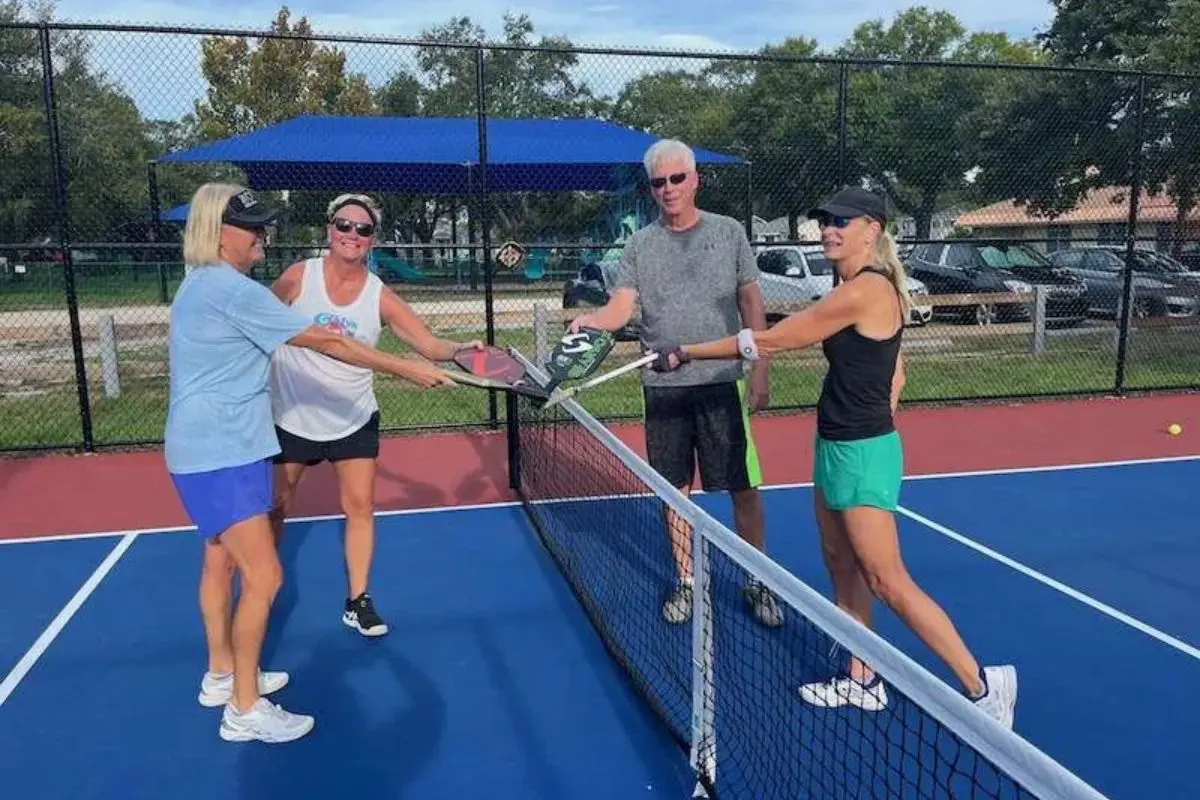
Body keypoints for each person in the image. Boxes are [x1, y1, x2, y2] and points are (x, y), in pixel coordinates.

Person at [647, 186, 1018, 729]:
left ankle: (983, 684)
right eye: (825, 221)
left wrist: (686, 352)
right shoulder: (852, 286)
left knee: (887, 578)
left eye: (842, 222)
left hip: (861, 453)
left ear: (872, 229)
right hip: (836, 444)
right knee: (840, 564)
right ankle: (861, 677)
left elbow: (774, 341)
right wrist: (871, 410)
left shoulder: (865, 289)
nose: (829, 230)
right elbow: (897, 370)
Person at [164, 183, 456, 744]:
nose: (261, 237)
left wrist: (450, 353)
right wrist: (408, 371)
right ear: (219, 233)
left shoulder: (202, 284)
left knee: (219, 558)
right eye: (252, 228)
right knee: (265, 573)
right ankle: (245, 709)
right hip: (221, 449)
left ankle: (224, 676)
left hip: (218, 445)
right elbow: (331, 343)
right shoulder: (236, 290)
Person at [570, 138, 782, 628]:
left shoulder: (729, 233)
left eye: (677, 179)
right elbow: (622, 307)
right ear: (651, 189)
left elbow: (752, 306)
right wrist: (592, 320)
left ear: (695, 180)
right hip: (662, 388)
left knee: (743, 488)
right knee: (674, 491)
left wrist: (762, 368)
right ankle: (687, 582)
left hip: (723, 381)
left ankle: (757, 579)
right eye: (659, 182)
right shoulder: (640, 245)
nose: (668, 189)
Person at [267, 193, 482, 637]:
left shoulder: (379, 295)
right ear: (329, 230)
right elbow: (260, 320)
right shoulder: (297, 277)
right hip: (293, 415)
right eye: (344, 225)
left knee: (360, 506)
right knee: (276, 508)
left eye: (362, 230)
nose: (352, 235)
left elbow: (428, 345)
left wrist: (460, 349)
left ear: (372, 240)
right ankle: (260, 587)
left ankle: (358, 600)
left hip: (353, 415)